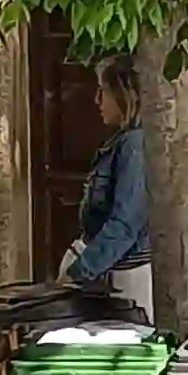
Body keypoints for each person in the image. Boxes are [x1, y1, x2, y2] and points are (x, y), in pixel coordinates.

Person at [59, 55, 152, 321]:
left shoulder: (134, 146)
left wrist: (78, 274)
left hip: (124, 281)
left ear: (124, 95)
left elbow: (124, 226)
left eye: (103, 91)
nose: (97, 101)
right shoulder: (123, 143)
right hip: (110, 275)